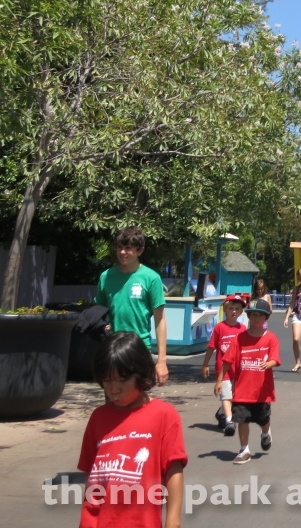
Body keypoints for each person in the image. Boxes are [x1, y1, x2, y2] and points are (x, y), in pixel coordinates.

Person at [78, 332, 187, 528]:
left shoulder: (164, 415)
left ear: (141, 374)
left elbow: (174, 471)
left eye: (121, 380)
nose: (114, 389)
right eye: (107, 381)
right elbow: (91, 473)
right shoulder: (98, 417)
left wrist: (173, 522)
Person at [95, 226, 169, 385]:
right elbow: (99, 311)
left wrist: (161, 361)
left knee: (138, 402)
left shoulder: (151, 278)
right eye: (120, 247)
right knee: (114, 398)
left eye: (128, 248)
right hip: (113, 347)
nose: (122, 252)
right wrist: (103, 324)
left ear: (140, 251)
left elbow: (160, 320)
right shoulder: (106, 276)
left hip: (140, 347)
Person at [216, 299, 280, 465]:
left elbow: (275, 358)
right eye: (253, 315)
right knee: (242, 419)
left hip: (262, 391)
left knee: (263, 419)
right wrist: (219, 381)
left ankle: (266, 433)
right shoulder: (239, 338)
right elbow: (227, 360)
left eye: (260, 316)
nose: (256, 319)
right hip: (243, 389)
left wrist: (269, 364)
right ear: (249, 317)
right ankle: (244, 449)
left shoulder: (271, 338)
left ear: (266, 318)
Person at [200, 293, 247, 435]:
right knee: (226, 395)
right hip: (223, 369)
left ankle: (221, 412)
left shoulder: (243, 328)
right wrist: (205, 364)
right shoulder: (219, 328)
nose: (234, 311)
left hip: (238, 369)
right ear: (225, 310)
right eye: (231, 308)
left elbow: (247, 348)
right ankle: (229, 421)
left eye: (237, 309)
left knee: (234, 396)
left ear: (240, 312)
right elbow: (211, 347)